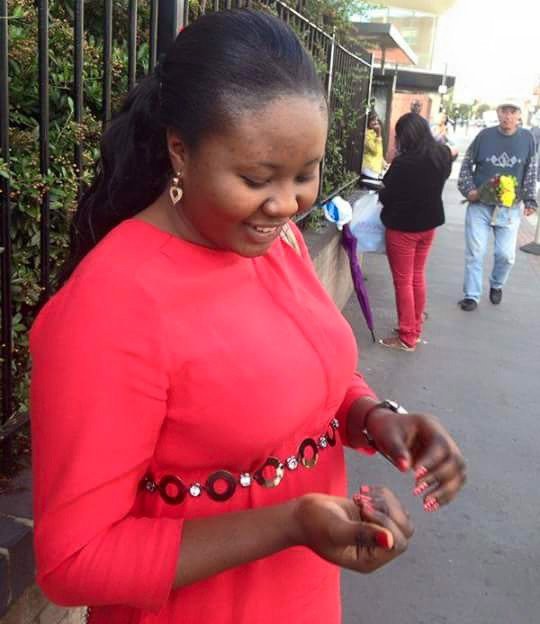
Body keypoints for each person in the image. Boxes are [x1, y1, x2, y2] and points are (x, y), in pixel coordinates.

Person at [30, 11, 466, 624]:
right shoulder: (110, 307)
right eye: (257, 178)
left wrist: (372, 416)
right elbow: (73, 559)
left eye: (305, 175)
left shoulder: (272, 242)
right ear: (179, 149)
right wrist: (287, 523)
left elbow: (307, 369)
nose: (286, 204)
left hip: (303, 599)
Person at [377, 113, 453, 351]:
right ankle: (415, 325)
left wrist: (392, 157)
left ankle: (408, 336)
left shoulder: (403, 163)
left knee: (402, 281)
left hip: (402, 229)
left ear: (405, 136)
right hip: (428, 226)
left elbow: (386, 194)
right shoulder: (442, 155)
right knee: (417, 276)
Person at [457, 100, 538, 311]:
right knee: (475, 251)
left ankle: (497, 283)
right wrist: (469, 189)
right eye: (504, 111)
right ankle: (471, 296)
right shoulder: (484, 136)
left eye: (513, 111)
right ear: (498, 112)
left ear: (519, 115)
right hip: (480, 205)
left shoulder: (527, 139)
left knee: (506, 255)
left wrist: (530, 200)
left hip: (508, 208)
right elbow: (466, 164)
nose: (508, 116)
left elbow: (531, 170)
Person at [361, 110, 387, 179]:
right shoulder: (366, 135)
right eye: (373, 120)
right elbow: (375, 151)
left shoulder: (373, 132)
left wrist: (383, 162)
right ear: (368, 121)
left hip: (376, 169)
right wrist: (379, 134)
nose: (376, 122)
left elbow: (379, 152)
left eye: (376, 120)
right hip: (369, 169)